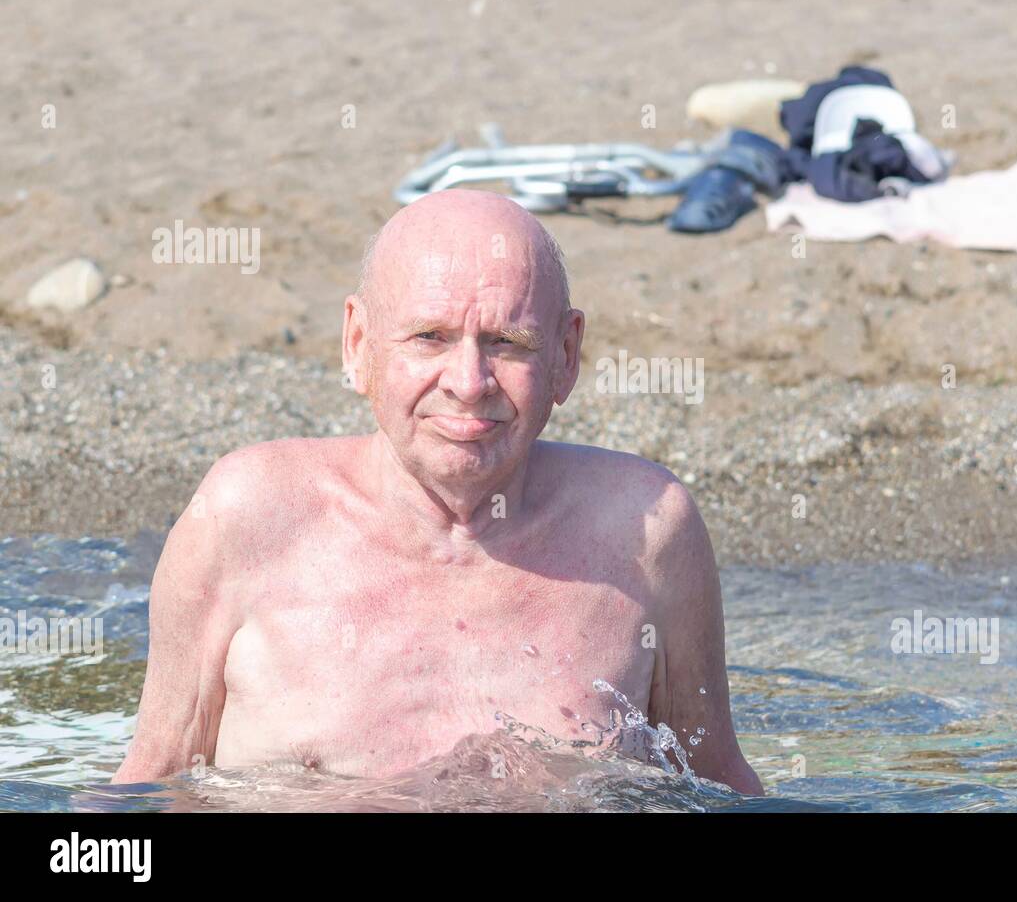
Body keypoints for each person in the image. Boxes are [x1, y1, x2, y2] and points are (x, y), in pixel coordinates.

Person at [112, 190, 762, 796]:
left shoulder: (645, 533)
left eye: (507, 343)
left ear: (566, 356)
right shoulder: (246, 517)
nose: (470, 381)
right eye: (429, 338)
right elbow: (149, 784)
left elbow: (716, 788)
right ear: (358, 345)